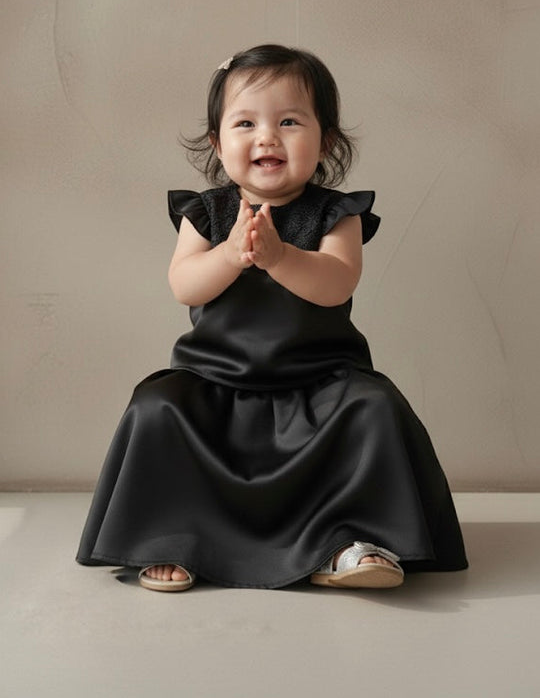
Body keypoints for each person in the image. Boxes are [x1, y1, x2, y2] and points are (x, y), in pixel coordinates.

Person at [77, 43, 468, 591]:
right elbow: (183, 284)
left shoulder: (336, 213)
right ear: (218, 142)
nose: (267, 136)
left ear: (325, 139)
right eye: (245, 122)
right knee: (156, 406)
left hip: (318, 384)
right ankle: (174, 538)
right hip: (215, 383)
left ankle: (349, 542)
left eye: (289, 121)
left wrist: (280, 257)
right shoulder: (207, 213)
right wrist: (230, 254)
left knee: (374, 406)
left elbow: (337, 284)